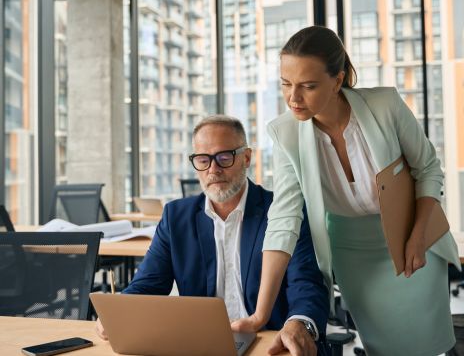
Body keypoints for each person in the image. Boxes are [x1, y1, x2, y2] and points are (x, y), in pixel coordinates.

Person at [231, 26, 461, 355]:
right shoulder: (286, 135)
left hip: (413, 240)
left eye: (308, 86)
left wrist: (419, 236)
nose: (293, 98)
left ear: (338, 81)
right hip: (353, 255)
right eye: (285, 84)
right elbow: (283, 220)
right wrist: (259, 315)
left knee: (429, 345)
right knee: (383, 348)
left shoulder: (385, 105)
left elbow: (427, 169)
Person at [96, 115, 330, 356]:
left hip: (268, 343)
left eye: (224, 158)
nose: (213, 169)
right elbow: (147, 285)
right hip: (201, 345)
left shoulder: (282, 211)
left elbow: (306, 283)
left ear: (246, 158)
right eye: (202, 160)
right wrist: (118, 314)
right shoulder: (176, 217)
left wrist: (300, 323)